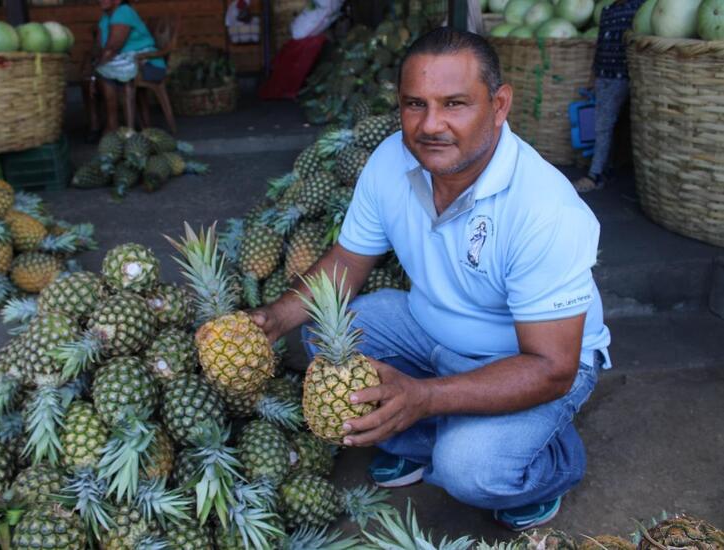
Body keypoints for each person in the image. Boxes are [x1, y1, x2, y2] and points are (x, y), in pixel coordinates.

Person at [252, 27, 611, 531]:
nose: (430, 125)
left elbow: (552, 366)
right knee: (322, 332)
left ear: (500, 104)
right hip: (428, 326)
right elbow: (347, 261)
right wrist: (274, 316)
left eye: (455, 103)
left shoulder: (545, 208)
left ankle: (550, 460)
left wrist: (425, 396)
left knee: (471, 471)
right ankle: (425, 439)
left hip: (529, 361)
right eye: (414, 104)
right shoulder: (390, 162)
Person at [572, 0, 646, 193]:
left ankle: (598, 173)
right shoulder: (607, 11)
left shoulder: (639, 8)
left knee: (611, 126)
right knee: (604, 125)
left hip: (627, 76)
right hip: (606, 76)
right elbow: (600, 46)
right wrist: (593, 76)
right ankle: (599, 172)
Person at [84, 0, 167, 136]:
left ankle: (112, 125)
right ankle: (96, 126)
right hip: (125, 61)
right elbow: (98, 46)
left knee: (101, 75)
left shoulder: (123, 11)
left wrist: (95, 69)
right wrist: (91, 61)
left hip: (149, 65)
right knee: (88, 78)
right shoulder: (105, 17)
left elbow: (113, 47)